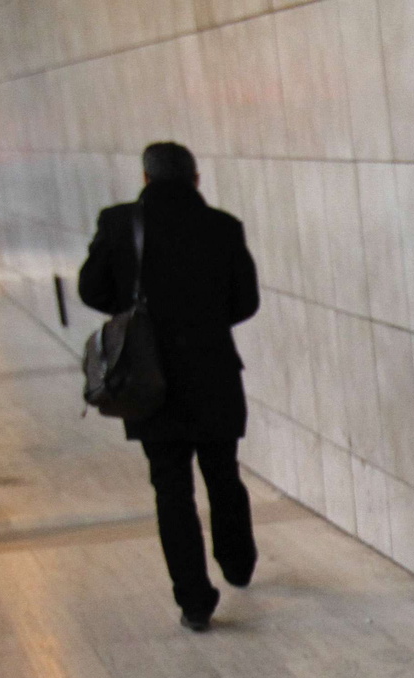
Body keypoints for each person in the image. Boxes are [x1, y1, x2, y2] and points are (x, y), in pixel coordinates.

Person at [79, 141, 260, 632]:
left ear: (145, 179)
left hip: (147, 378)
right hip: (214, 372)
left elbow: (91, 289)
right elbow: (245, 302)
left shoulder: (119, 224)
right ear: (196, 179)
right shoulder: (224, 227)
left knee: (171, 487)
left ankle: (194, 601)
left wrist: (137, 311)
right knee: (222, 470)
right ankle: (238, 560)